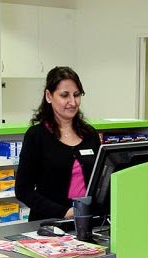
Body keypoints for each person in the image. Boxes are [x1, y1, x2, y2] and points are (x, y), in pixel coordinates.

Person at [15, 66, 101, 221]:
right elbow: (23, 190)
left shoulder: (90, 134)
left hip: (87, 221)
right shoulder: (37, 136)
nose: (72, 102)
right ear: (49, 96)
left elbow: (101, 181)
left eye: (76, 95)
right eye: (64, 95)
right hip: (48, 223)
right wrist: (64, 212)